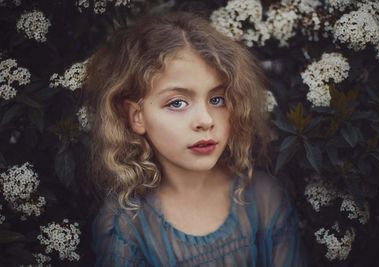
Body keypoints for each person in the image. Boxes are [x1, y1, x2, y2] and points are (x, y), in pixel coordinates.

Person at [84, 10, 308, 267]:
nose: (206, 120)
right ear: (137, 117)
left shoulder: (262, 196)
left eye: (217, 99)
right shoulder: (125, 226)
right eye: (177, 102)